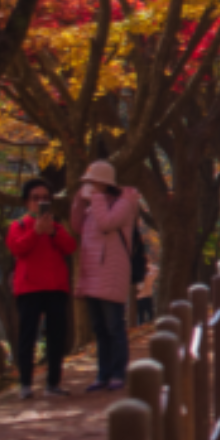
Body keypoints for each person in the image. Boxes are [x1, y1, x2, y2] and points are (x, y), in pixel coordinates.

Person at [70, 159, 140, 392]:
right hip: (91, 273)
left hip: (112, 272)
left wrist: (95, 198)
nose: (90, 185)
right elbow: (77, 225)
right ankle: (103, 373)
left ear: (104, 183)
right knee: (99, 328)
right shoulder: (94, 204)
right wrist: (79, 201)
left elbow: (106, 224)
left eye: (93, 182)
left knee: (114, 326)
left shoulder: (124, 203)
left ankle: (118, 373)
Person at [7, 177, 77, 400]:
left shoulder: (57, 227)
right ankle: (25, 384)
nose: (40, 202)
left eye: (45, 198)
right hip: (29, 289)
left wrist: (52, 232)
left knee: (56, 337)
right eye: (35, 198)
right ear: (26, 202)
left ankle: (53, 384)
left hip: (56, 287)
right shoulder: (18, 226)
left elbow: (70, 247)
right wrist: (35, 232)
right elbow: (17, 248)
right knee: (27, 337)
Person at [136, 255, 158, 325]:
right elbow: (156, 271)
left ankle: (140, 328)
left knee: (141, 317)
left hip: (139, 298)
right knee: (151, 315)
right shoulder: (150, 275)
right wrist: (150, 266)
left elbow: (138, 287)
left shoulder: (139, 275)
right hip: (147, 297)